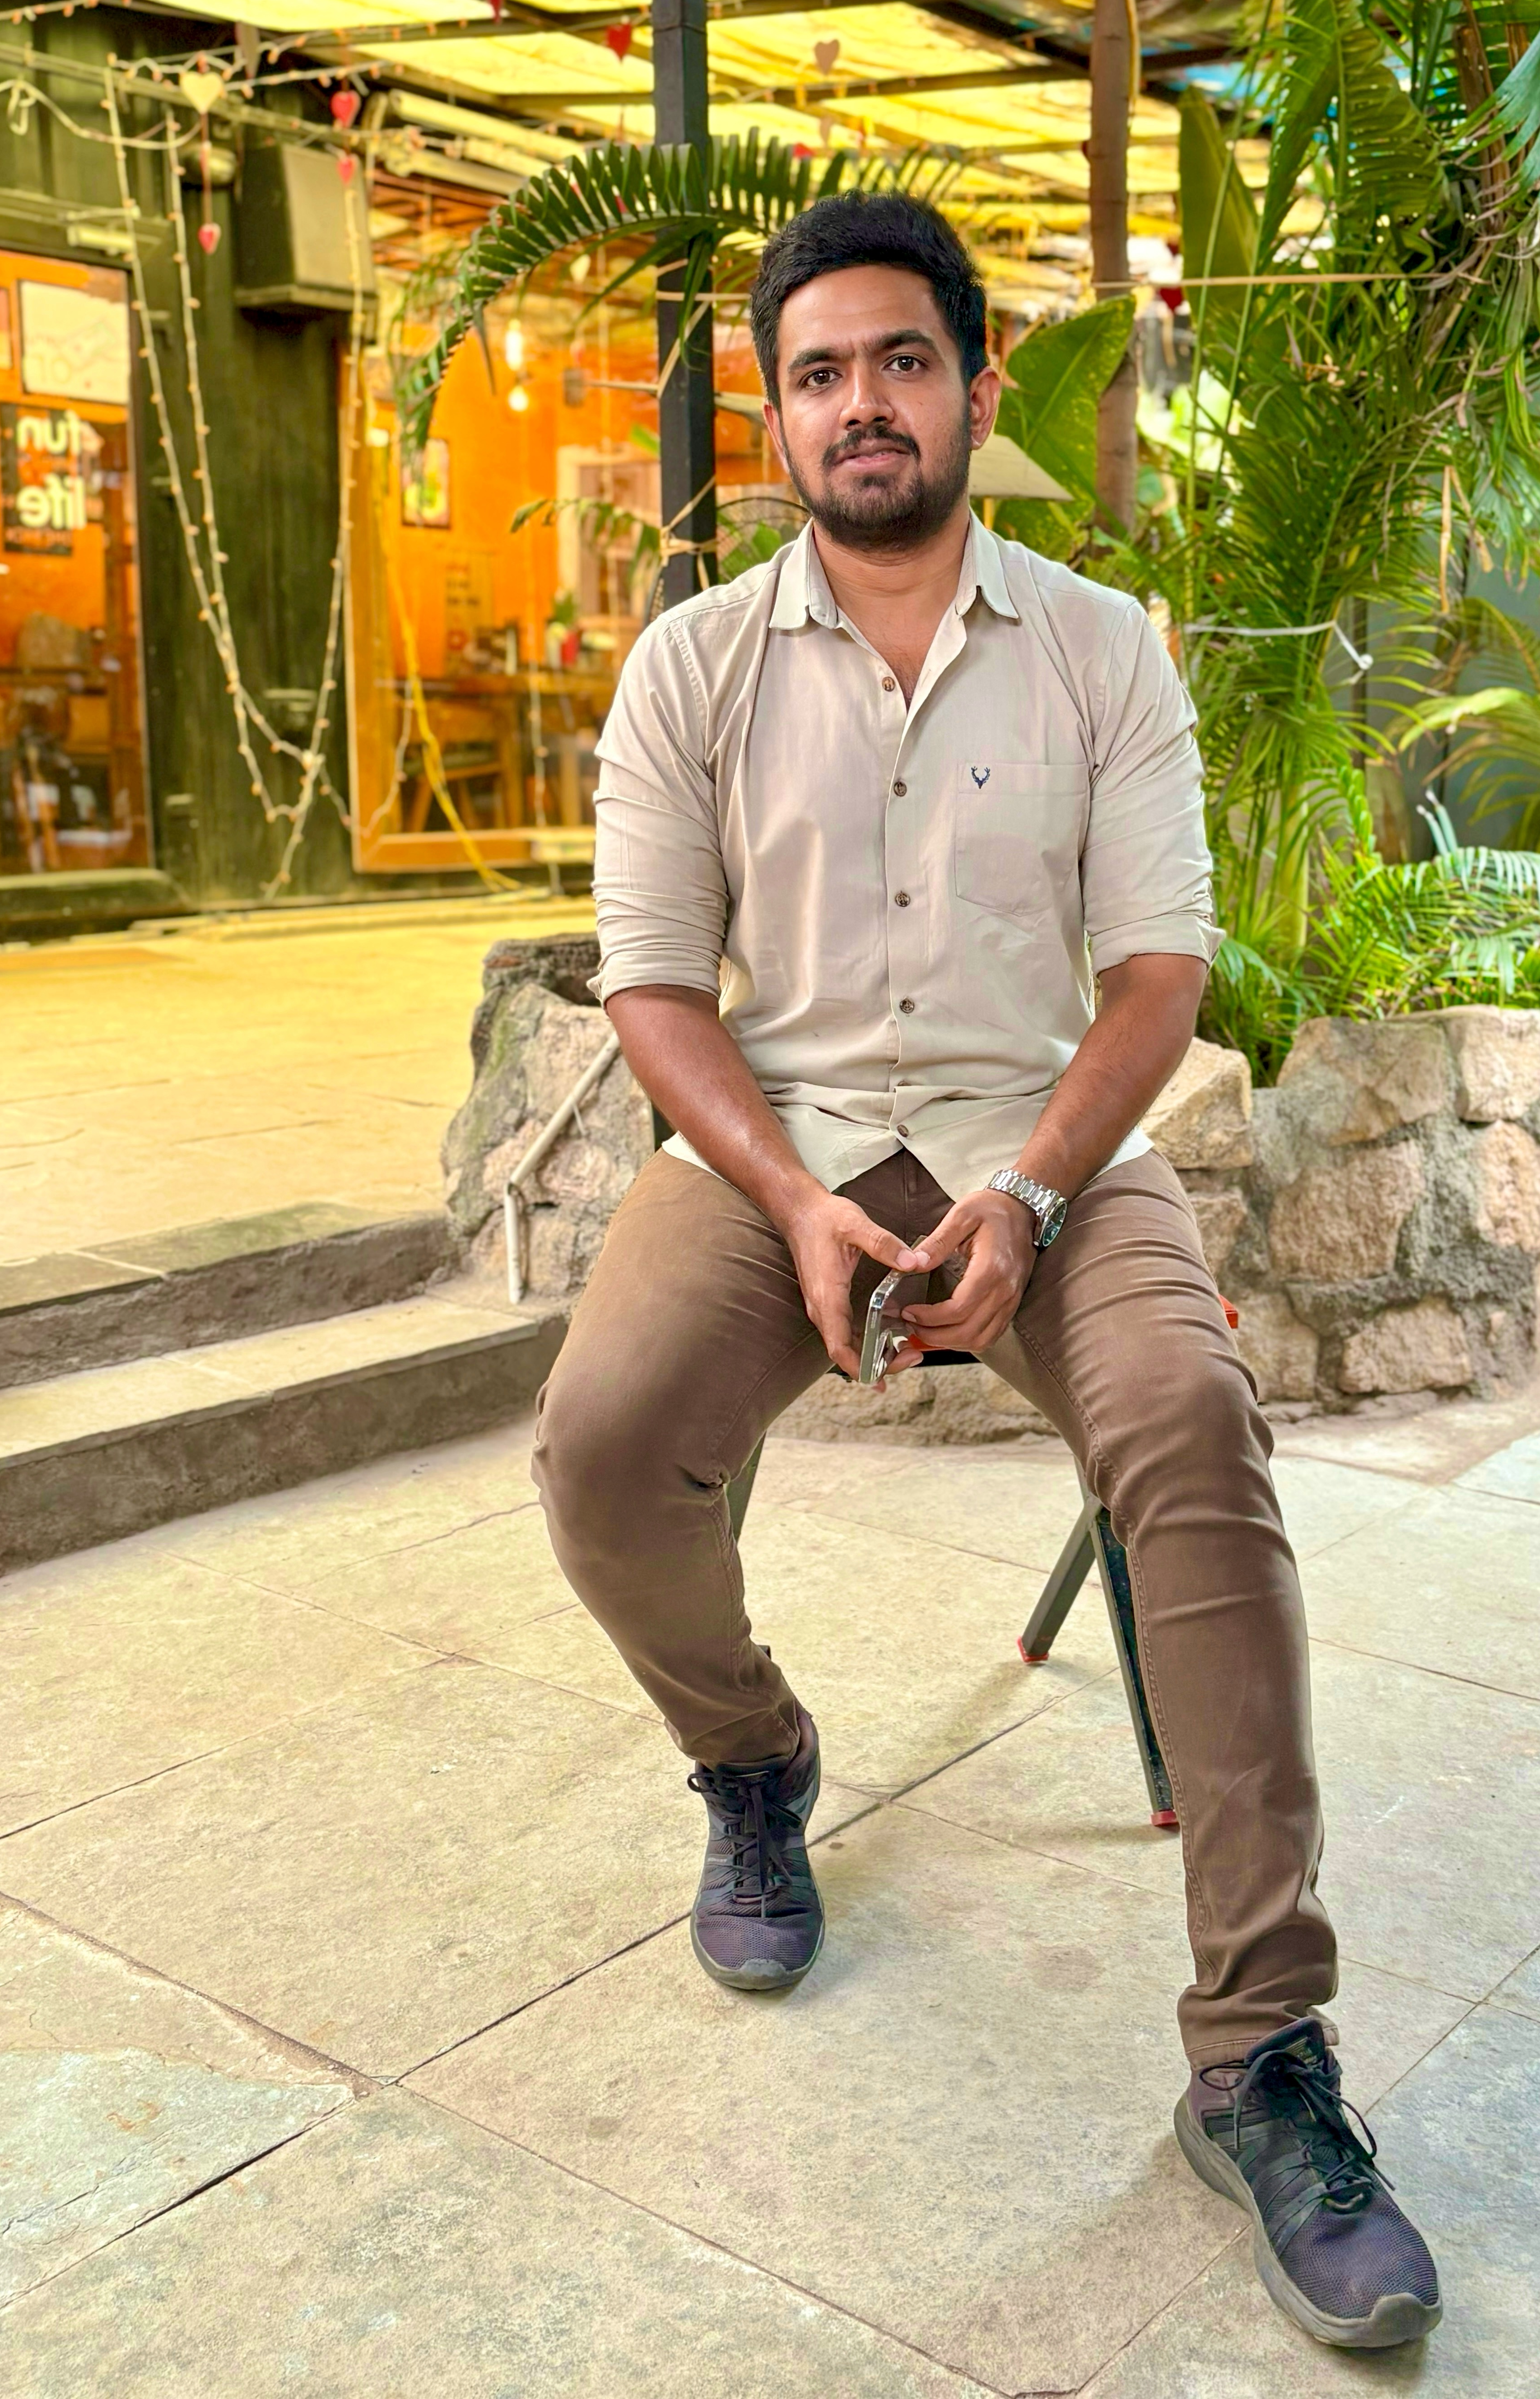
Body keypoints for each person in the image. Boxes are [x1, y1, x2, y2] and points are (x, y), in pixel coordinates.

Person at [532, 191, 1441, 2353]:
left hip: (1048, 1151)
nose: (862, 404)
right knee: (602, 1444)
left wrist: (1030, 1189)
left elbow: (1158, 976)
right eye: (819, 373)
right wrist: (786, 1196)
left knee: (1192, 1430)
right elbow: (654, 988)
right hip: (783, 1151)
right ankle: (753, 1761)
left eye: (901, 361)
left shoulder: (1105, 650)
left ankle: (1262, 2052)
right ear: (776, 417)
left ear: (973, 387)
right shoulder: (692, 670)